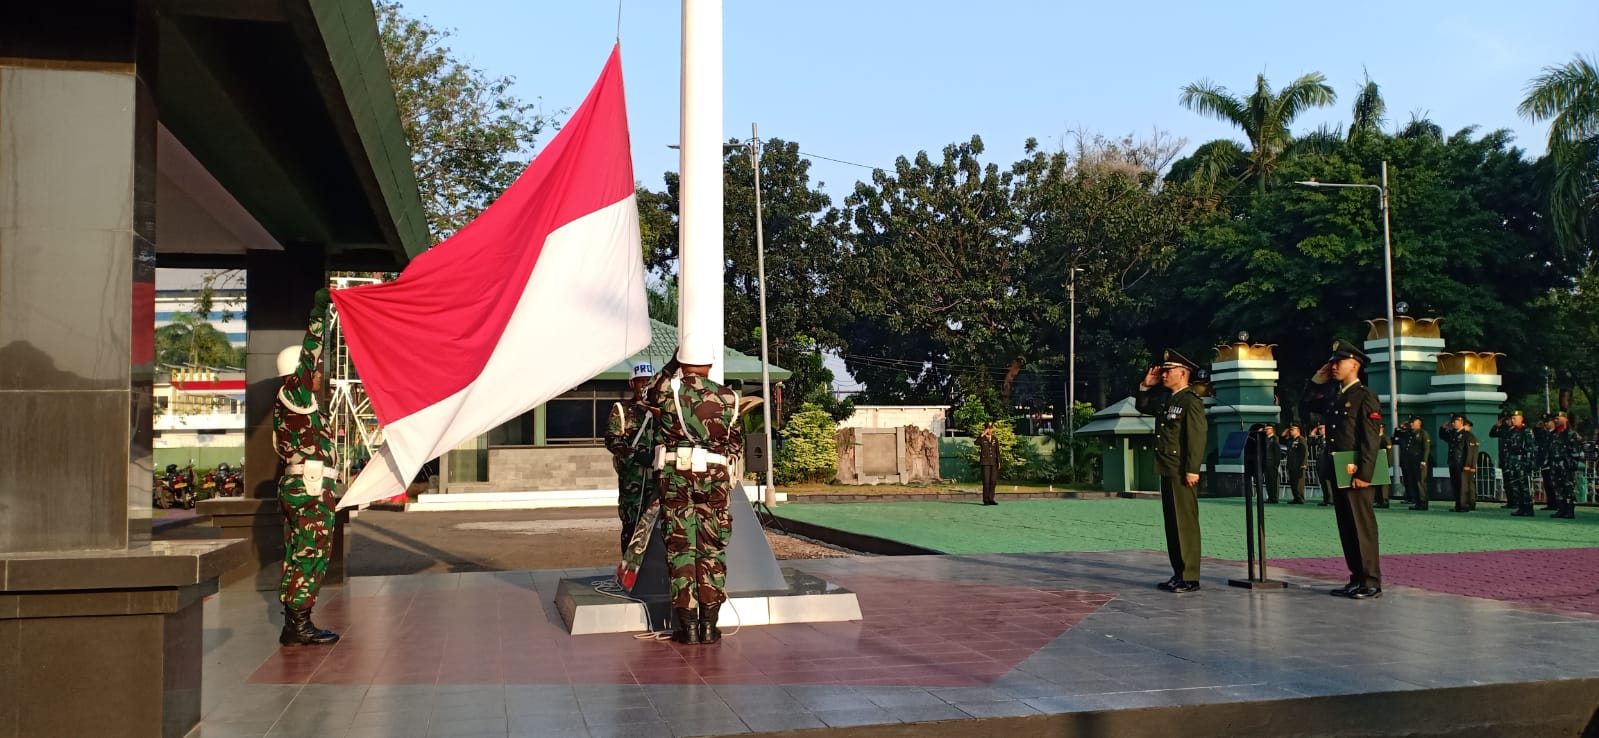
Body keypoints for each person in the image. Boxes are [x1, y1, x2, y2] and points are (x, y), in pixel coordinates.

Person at [647, 335, 743, 644]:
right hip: (714, 477)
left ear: (682, 361)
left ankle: (687, 626)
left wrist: (671, 365)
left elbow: (648, 393)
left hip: (676, 475)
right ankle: (709, 625)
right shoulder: (730, 398)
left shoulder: (668, 392)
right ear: (711, 363)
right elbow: (735, 442)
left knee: (680, 547)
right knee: (711, 546)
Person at [272, 289, 340, 646]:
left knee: (301, 552)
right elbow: (310, 357)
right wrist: (319, 316)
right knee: (311, 554)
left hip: (305, 488)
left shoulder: (297, 406)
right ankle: (299, 623)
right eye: (311, 372)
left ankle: (293, 622)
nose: (317, 376)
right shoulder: (294, 393)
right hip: (308, 491)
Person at [1300, 340, 1383, 600]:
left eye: (1339, 362)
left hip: (1355, 469)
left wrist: (1364, 474)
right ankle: (1356, 577)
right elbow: (1305, 406)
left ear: (1354, 364)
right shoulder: (1336, 396)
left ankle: (1371, 580)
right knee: (1347, 526)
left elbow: (1370, 439)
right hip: (1338, 468)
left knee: (1362, 525)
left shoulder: (1365, 396)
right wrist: (1316, 381)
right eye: (1332, 362)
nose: (1333, 367)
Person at [1134, 350, 1208, 594]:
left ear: (1183, 373)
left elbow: (1196, 438)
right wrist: (1146, 386)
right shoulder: (1169, 400)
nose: (1164, 374)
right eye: (1163, 371)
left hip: (1181, 470)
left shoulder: (1191, 401)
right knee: (1173, 524)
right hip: (1168, 468)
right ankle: (1179, 572)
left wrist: (1192, 469)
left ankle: (1190, 576)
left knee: (1184, 523)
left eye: (1169, 371)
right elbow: (1143, 406)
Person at [606, 363, 657, 554]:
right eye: (640, 381)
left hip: (657, 479)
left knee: (657, 528)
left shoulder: (662, 411)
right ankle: (628, 570)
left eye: (648, 381)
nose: (644, 385)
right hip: (632, 482)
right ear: (632, 383)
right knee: (631, 525)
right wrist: (635, 455)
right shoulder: (622, 409)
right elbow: (612, 439)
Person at [1492, 410, 1537, 517]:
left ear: (1521, 419)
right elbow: (1506, 446)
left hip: (1522, 462)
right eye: (1512, 418)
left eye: (1515, 418)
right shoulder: (1511, 431)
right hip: (1512, 462)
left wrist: (1529, 463)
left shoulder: (1526, 431)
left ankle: (1528, 508)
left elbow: (1530, 448)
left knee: (1524, 486)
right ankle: (1521, 507)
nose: (1513, 420)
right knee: (1515, 486)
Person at [1546, 412, 1582, 519]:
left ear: (1565, 419)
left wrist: (1572, 465)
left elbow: (1576, 452)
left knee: (1568, 488)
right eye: (1555, 419)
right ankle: (1561, 509)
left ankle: (1569, 510)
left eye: (1558, 418)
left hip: (1566, 465)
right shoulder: (1554, 434)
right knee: (1557, 488)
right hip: (1554, 464)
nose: (1556, 420)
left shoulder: (1570, 434)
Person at [1444, 415, 1480, 512]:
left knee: (1463, 486)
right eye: (1453, 422)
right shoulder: (1454, 434)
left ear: (1461, 422)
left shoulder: (1467, 435)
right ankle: (1458, 505)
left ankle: (1464, 505)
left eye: (1455, 422)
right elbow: (1443, 436)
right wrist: (1443, 428)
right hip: (1454, 463)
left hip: (1462, 464)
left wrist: (1468, 465)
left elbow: (1470, 451)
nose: (1453, 423)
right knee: (1456, 485)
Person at [1395, 416, 1432, 510]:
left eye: (1413, 422)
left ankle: (1423, 503)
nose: (1411, 424)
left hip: (1419, 462)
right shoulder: (1410, 433)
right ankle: (1417, 502)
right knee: (1414, 482)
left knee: (1420, 482)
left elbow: (1426, 448)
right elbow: (1397, 436)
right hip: (1411, 462)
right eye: (1410, 422)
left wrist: (1424, 461)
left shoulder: (1423, 433)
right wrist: (1400, 427)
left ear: (1419, 423)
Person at [977, 421, 1000, 506]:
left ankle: (991, 498)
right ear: (985, 429)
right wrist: (983, 434)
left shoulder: (994, 439)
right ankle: (985, 499)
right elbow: (976, 442)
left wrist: (999, 462)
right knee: (986, 481)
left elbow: (997, 451)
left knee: (993, 481)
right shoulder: (982, 438)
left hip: (993, 462)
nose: (990, 430)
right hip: (985, 463)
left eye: (991, 428)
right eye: (988, 428)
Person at [1311, 423, 1334, 506]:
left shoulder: (1330, 439)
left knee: (1328, 482)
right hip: (1320, 462)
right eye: (1319, 429)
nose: (1320, 430)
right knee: (1323, 482)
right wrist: (1313, 432)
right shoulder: (1320, 439)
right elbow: (1311, 441)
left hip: (1327, 463)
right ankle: (1326, 499)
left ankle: (1330, 499)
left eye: (1322, 429)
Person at [1284, 424, 1308, 504]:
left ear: (1297, 430)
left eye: (1292, 430)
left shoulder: (1301, 440)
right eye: (1290, 430)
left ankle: (1300, 498)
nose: (1291, 431)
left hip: (1299, 465)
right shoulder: (1291, 440)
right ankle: (1296, 498)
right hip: (1292, 465)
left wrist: (1303, 464)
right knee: (1293, 483)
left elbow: (1304, 452)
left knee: (1299, 483)